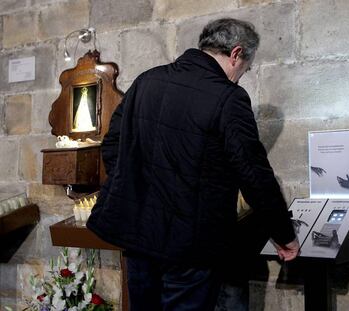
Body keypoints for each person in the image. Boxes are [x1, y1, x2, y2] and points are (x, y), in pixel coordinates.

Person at [86, 18, 299, 310]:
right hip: (190, 245)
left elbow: (112, 146)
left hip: (138, 236)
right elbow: (253, 173)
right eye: (245, 70)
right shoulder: (228, 97)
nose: (240, 77)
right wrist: (284, 234)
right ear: (236, 54)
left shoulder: (147, 80)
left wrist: (137, 185)